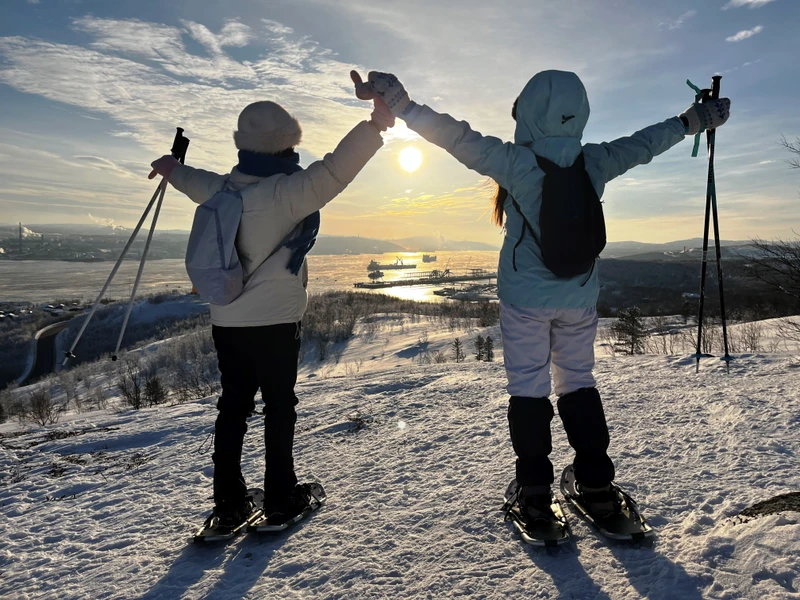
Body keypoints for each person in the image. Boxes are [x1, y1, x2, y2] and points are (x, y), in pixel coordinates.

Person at [354, 69, 730, 526]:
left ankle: (535, 494)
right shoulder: (596, 161)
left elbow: (457, 138)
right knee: (578, 381)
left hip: (525, 299)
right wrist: (694, 120)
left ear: (528, 115)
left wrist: (404, 105)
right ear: (581, 113)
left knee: (529, 390)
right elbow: (644, 142)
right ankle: (596, 485)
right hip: (578, 294)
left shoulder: (515, 163)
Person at [148, 82, 395, 527]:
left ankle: (228, 506)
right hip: (278, 322)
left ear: (243, 145)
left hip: (227, 318)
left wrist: (169, 166)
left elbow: (190, 178)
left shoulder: (222, 190)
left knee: (233, 408)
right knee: (279, 406)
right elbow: (338, 168)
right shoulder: (289, 193)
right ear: (287, 144)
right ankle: (281, 499)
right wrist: (377, 124)